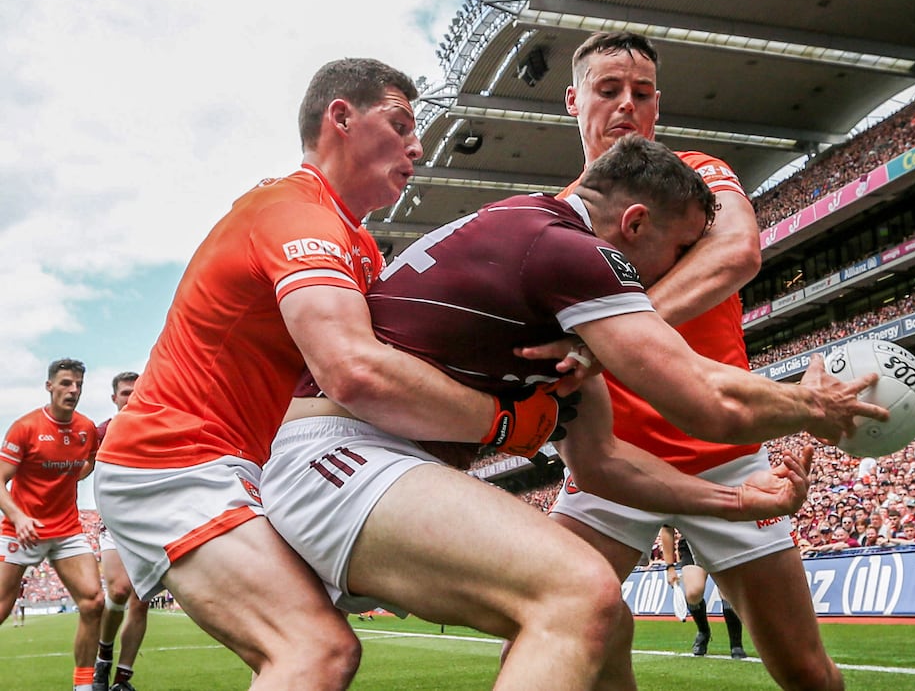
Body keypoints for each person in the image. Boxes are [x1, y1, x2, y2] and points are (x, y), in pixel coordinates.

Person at [265, 134, 886, 691]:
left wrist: (737, 503)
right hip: (343, 458)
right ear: (636, 223)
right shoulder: (570, 252)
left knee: (603, 617)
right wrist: (812, 404)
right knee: (579, 592)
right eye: (680, 247)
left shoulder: (539, 261)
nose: (679, 267)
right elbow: (705, 400)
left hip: (360, 465)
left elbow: (602, 463)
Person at [93, 58, 566, 690]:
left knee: (344, 643)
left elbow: (396, 367)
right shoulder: (293, 212)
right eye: (399, 123)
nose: (418, 144)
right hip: (174, 460)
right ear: (339, 117)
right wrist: (505, 423)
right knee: (313, 651)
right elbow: (355, 373)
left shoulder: (359, 246)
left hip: (243, 464)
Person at [543, 31, 848, 690]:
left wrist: (609, 336)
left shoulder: (698, 173)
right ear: (573, 100)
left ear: (658, 106)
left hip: (725, 450)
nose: (627, 104)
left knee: (805, 671)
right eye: (608, 90)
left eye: (642, 93)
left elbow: (738, 251)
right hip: (610, 466)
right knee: (574, 630)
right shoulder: (555, 217)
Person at [0, 358, 104, 691]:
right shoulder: (25, 427)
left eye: (78, 385)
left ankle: (83, 685)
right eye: (65, 383)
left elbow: (88, 462)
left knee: (93, 601)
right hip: (22, 530)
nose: (72, 390)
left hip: (67, 530)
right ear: (50, 386)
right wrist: (17, 515)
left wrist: (72, 477)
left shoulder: (86, 429)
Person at [93, 372, 147, 691]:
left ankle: (122, 680)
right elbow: (80, 464)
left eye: (136, 391)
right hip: (113, 525)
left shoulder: (157, 425)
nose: (131, 397)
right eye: (125, 392)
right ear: (114, 398)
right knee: (118, 591)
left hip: (148, 527)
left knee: (141, 601)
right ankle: (103, 655)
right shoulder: (103, 431)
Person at [658, 526, 747, 659]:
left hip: (722, 542)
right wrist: (670, 567)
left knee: (727, 592)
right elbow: (667, 528)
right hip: (691, 543)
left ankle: (736, 644)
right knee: (693, 593)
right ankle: (703, 631)